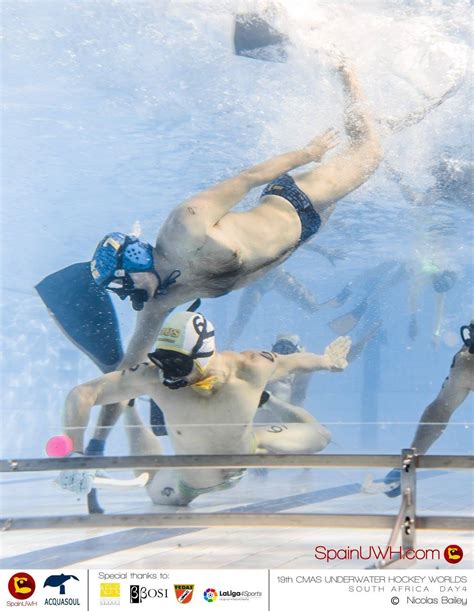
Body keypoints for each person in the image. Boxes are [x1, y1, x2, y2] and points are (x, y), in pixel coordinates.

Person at [81, 58, 381, 452]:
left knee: (369, 152)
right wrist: (96, 444)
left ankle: (347, 72)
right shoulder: (160, 301)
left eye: (123, 286)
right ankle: (380, 122)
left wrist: (306, 152)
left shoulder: (184, 226)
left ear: (134, 261)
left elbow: (247, 179)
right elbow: (123, 380)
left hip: (297, 199)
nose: (127, 295)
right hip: (306, 233)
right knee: (366, 157)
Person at [60, 310, 351, 505]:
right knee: (152, 487)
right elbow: (83, 393)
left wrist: (328, 362)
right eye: (162, 360)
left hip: (250, 449)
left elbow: (294, 363)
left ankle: (266, 401)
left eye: (178, 364)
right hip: (188, 480)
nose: (168, 373)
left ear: (203, 355)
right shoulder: (152, 374)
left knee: (320, 436)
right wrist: (75, 452)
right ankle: (131, 407)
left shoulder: (249, 368)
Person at [384, 320, 473, 497]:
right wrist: (412, 457)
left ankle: (410, 461)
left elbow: (441, 409)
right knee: (443, 404)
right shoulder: (465, 363)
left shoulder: (465, 363)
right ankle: (410, 460)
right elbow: (440, 410)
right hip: (467, 364)